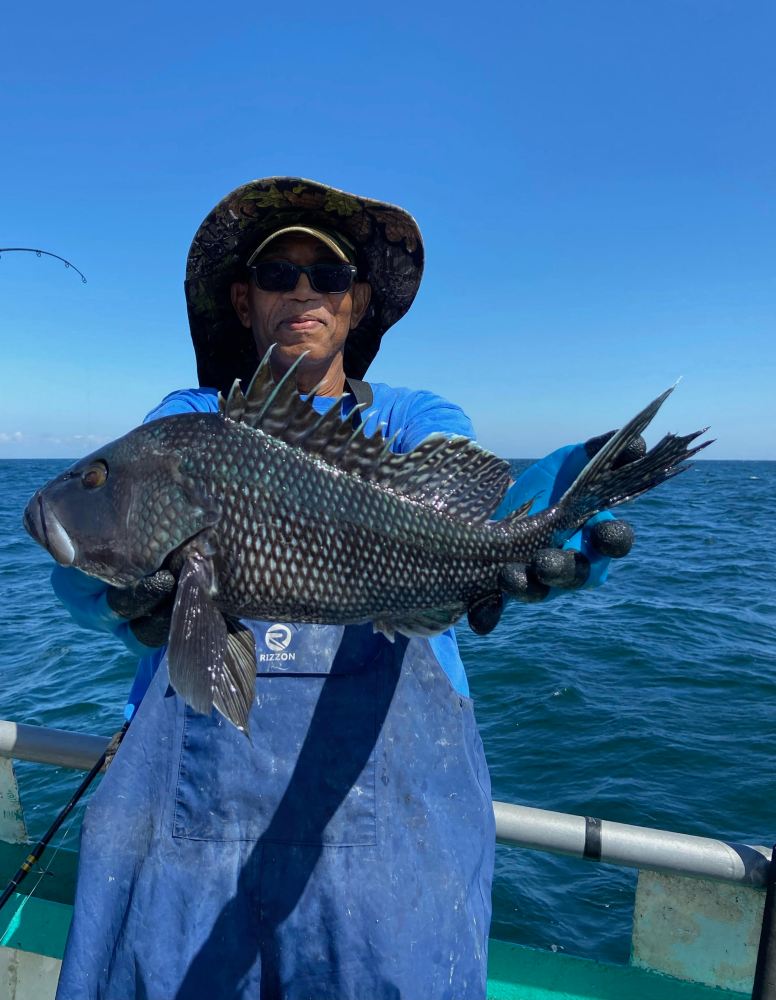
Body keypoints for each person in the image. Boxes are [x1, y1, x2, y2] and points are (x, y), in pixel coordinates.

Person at [50, 177, 634, 1000]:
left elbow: (491, 506)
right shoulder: (188, 423)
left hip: (392, 857)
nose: (303, 294)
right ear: (245, 300)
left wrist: (570, 507)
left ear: (357, 303)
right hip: (192, 846)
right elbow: (75, 565)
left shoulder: (409, 417)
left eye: (327, 278)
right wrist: (117, 598)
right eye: (280, 275)